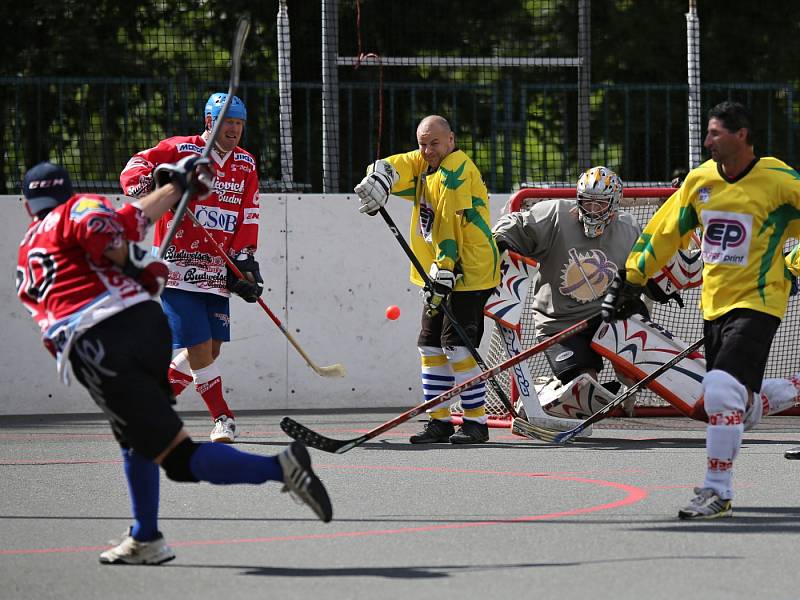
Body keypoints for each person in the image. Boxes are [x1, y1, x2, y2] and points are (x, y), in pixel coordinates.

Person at [15, 160, 332, 565]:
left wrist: (133, 262)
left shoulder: (33, 242)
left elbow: (105, 232)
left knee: (178, 459)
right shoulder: (77, 208)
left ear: (29, 205)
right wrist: (177, 189)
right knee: (135, 439)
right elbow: (130, 217)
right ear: (66, 191)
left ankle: (282, 467)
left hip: (105, 343)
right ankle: (146, 536)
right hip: (135, 329)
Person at [601, 100, 800, 519]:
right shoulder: (700, 181)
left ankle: (716, 491)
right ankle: (789, 391)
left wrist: (794, 267)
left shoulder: (779, 181)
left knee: (722, 393)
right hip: (713, 306)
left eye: (714, 133)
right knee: (735, 404)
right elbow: (664, 231)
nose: (707, 141)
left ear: (741, 135)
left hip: (760, 301)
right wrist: (631, 278)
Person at [120, 92, 262, 444]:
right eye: (227, 122)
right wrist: (153, 185)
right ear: (210, 122)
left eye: (239, 123)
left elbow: (247, 214)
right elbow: (134, 165)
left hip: (217, 270)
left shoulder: (246, 164)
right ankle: (223, 418)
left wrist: (244, 264)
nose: (234, 129)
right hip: (176, 269)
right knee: (199, 350)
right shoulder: (182, 149)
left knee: (210, 351)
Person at [354, 115, 500, 444]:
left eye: (434, 143)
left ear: (451, 140)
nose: (427, 150)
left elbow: (449, 222)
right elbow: (398, 164)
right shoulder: (425, 164)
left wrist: (444, 266)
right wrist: (378, 177)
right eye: (422, 143)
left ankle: (476, 423)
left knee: (457, 347)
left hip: (468, 270)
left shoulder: (456, 170)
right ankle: (439, 420)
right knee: (429, 345)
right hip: (440, 271)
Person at [492, 166, 661, 419]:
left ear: (614, 205)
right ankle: (540, 395)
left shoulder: (629, 228)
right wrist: (501, 239)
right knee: (584, 391)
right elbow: (512, 223)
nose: (592, 210)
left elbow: (639, 270)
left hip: (607, 316)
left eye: (600, 204)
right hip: (561, 322)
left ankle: (623, 383)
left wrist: (656, 283)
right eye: (587, 202)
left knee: (638, 373)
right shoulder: (555, 215)